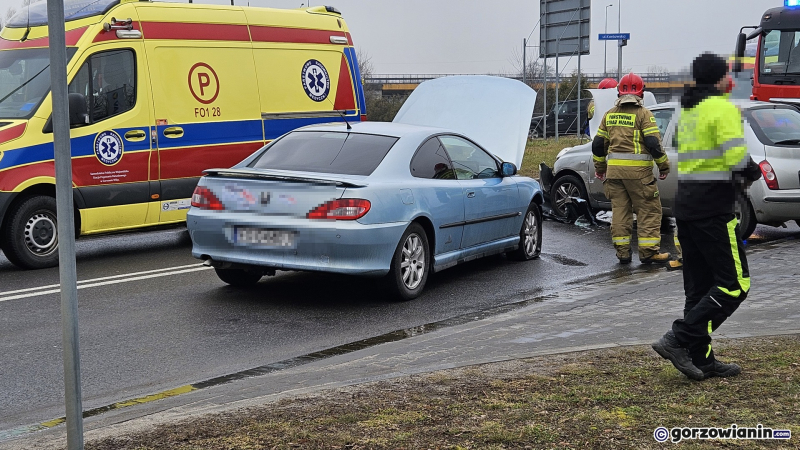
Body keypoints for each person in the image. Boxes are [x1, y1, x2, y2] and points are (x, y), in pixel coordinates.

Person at [652, 52, 762, 381]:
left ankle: (702, 360)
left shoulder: (688, 109)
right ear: (720, 79)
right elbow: (735, 157)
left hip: (685, 208)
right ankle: (679, 338)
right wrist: (753, 170)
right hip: (713, 210)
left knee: (698, 290)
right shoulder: (722, 108)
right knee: (735, 283)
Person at [592, 73, 671, 264]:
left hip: (614, 175)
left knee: (620, 212)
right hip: (640, 176)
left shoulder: (609, 114)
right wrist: (663, 166)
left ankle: (623, 253)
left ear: (619, 92)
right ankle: (648, 252)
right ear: (641, 93)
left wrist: (600, 167)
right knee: (649, 211)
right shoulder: (644, 115)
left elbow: (598, 144)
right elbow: (653, 143)